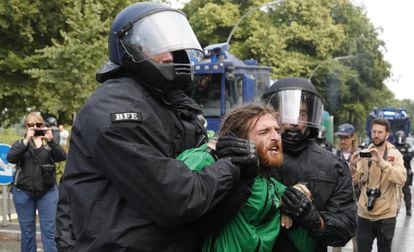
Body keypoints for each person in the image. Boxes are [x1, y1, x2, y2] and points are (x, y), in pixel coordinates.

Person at [55, 2, 258, 251]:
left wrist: (243, 175)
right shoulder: (115, 107)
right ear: (129, 49)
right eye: (156, 44)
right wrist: (230, 166)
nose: (171, 55)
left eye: (174, 44)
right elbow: (177, 200)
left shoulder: (173, 107)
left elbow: (202, 213)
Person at [178, 103, 317, 252]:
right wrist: (209, 152)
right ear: (237, 140)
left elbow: (307, 247)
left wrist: (303, 215)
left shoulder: (279, 192)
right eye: (264, 132)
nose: (276, 137)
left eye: (277, 131)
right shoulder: (210, 166)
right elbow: (175, 190)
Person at [262, 77, 357, 251]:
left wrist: (313, 218)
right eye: (288, 112)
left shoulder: (333, 166)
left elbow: (347, 226)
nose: (295, 121)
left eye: (302, 113)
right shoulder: (255, 157)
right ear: (274, 114)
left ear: (311, 117)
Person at [7, 111, 66, 252]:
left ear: (43, 125)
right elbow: (11, 157)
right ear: (26, 127)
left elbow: (62, 156)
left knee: (49, 233)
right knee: (27, 233)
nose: (35, 127)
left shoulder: (49, 144)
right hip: (23, 193)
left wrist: (51, 140)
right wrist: (26, 141)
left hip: (47, 192)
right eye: (31, 125)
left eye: (38, 124)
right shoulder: (21, 144)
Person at [349, 118, 406, 252]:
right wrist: (352, 166)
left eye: (380, 132)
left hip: (386, 214)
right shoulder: (365, 152)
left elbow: (402, 178)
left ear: (387, 134)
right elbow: (356, 180)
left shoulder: (395, 154)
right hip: (364, 212)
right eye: (374, 131)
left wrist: (381, 162)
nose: (376, 135)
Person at [334, 123, 360, 252]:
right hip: (338, 203)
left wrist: (354, 166)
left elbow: (362, 180)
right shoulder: (333, 156)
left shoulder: (361, 156)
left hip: (357, 202)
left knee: (357, 240)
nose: (343, 140)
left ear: (352, 137)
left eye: (346, 137)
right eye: (341, 137)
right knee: (336, 239)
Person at [393, 130, 413, 216]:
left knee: (406, 191)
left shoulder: (407, 146)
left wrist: (402, 156)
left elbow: (410, 156)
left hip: (405, 171)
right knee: (393, 191)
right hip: (395, 171)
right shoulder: (393, 146)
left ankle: (408, 209)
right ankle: (392, 209)